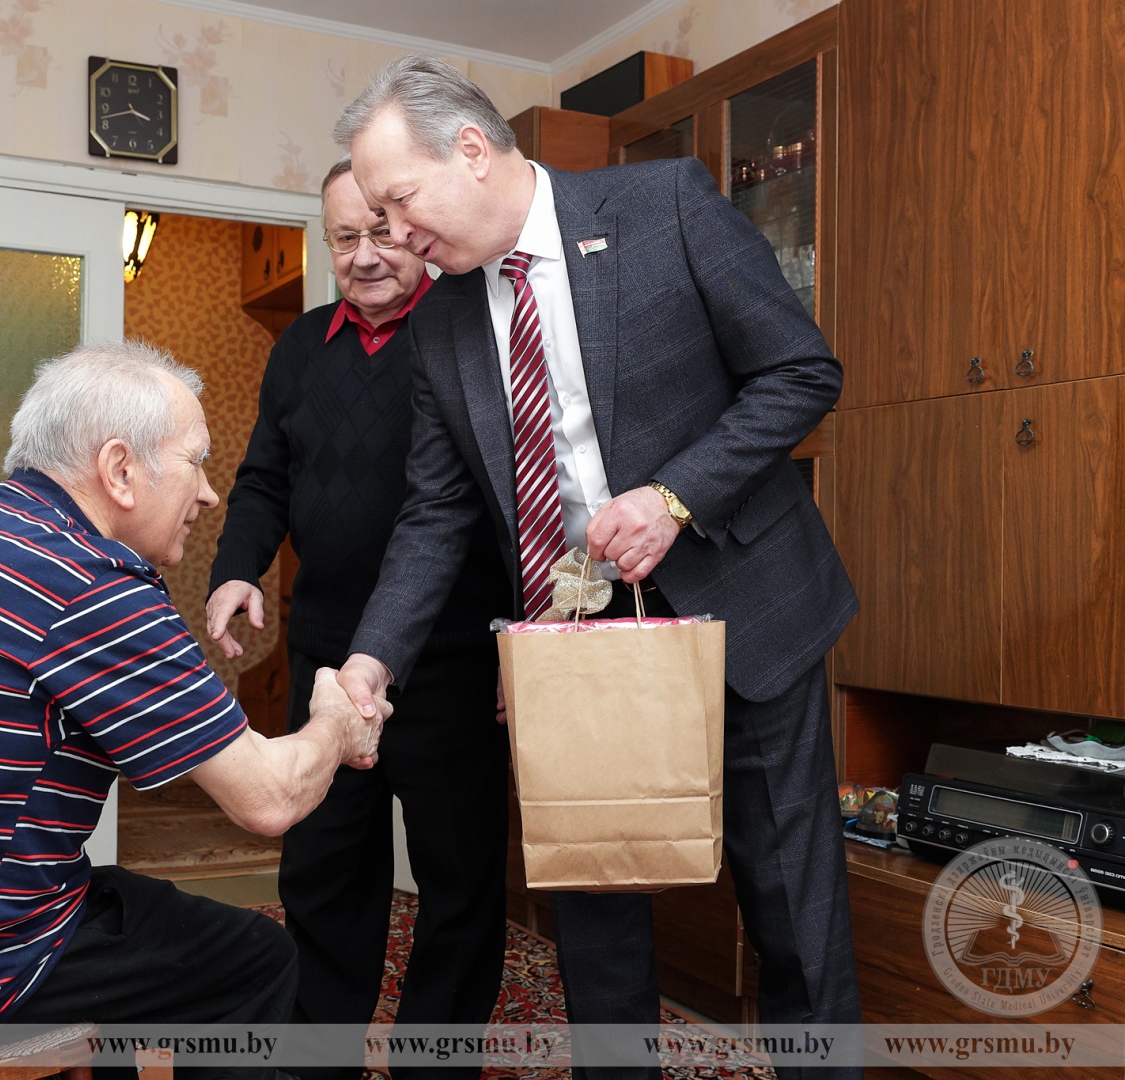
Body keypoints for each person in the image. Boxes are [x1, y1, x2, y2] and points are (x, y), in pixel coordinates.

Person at [331, 56, 862, 1080]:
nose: (392, 236)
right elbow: (437, 513)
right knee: (597, 929)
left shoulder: (664, 206)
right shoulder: (441, 322)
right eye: (376, 216)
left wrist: (675, 498)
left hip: (743, 611)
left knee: (793, 913)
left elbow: (801, 371)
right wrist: (372, 661)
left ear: (472, 150)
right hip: (576, 645)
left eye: (399, 202)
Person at [0, 340, 387, 1080]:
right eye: (195, 462)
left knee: (135, 907)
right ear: (120, 470)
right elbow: (270, 800)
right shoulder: (90, 585)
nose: (208, 494)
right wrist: (338, 722)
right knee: (254, 956)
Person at [206, 159, 510, 1080]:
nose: (366, 255)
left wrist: (519, 637)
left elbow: (508, 498)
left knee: (459, 881)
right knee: (325, 873)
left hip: (452, 663)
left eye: (382, 232)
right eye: (345, 238)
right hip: (326, 661)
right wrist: (235, 569)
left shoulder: (471, 332)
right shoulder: (301, 346)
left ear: (415, 230)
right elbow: (263, 478)